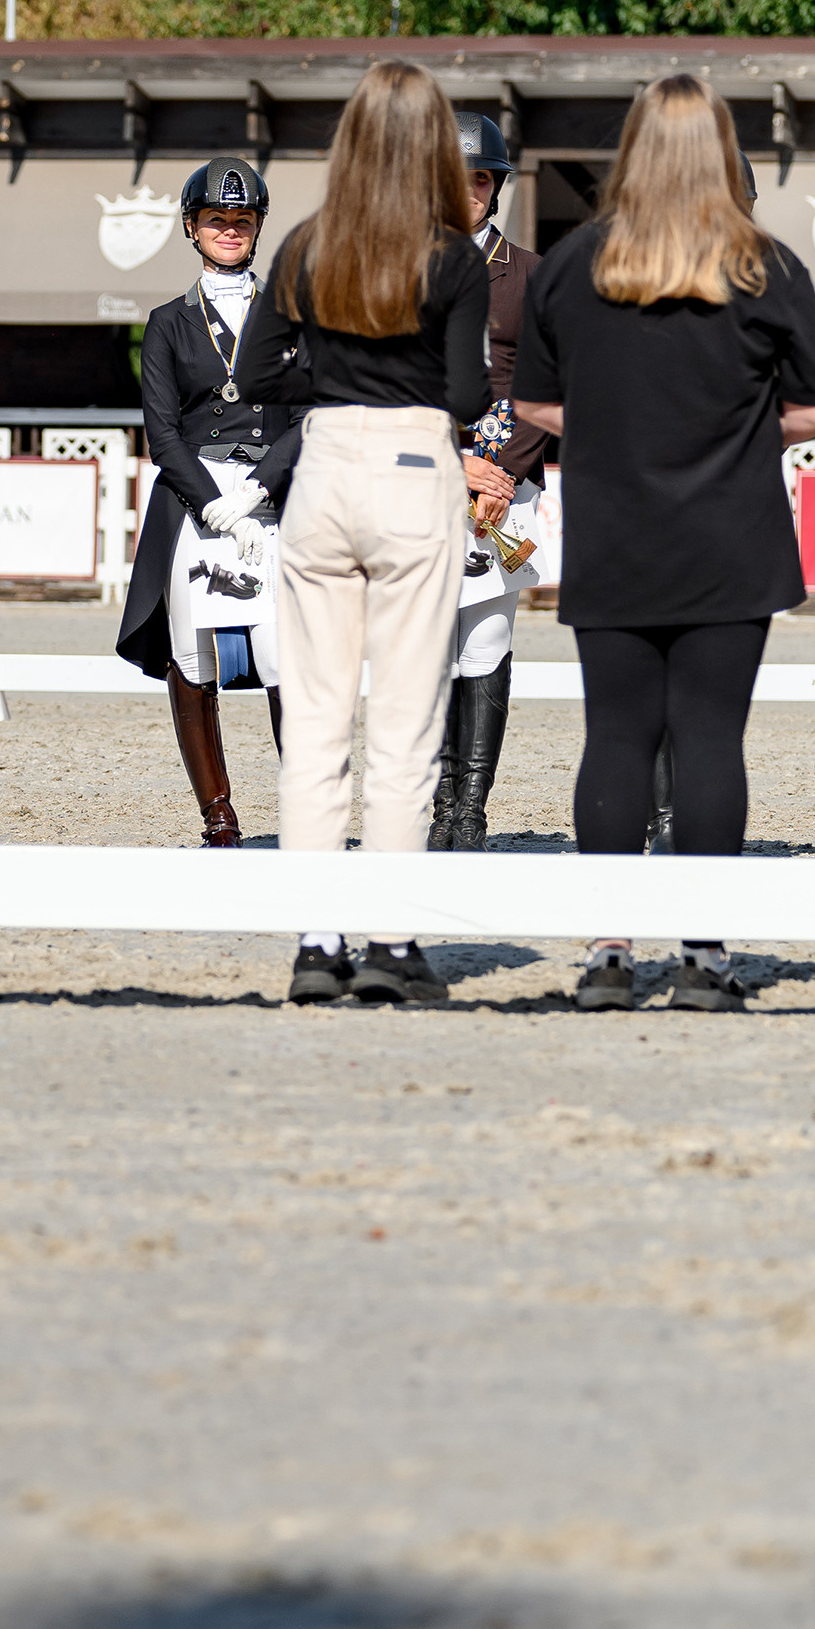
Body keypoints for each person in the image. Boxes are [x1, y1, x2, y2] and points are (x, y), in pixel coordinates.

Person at [511, 74, 815, 1013]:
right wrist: (731, 431)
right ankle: (702, 954)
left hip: (615, 529)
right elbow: (813, 409)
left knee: (614, 734)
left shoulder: (574, 264)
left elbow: (532, 400)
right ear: (722, 154)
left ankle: (609, 951)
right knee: (709, 738)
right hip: (730, 534)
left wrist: (617, 427)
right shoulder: (766, 266)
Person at [234, 61, 490, 1006]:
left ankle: (315, 938)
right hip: (416, 466)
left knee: (315, 719)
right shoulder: (453, 257)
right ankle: (390, 939)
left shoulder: (306, 245)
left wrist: (334, 387)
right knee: (404, 719)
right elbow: (467, 395)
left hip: (326, 466)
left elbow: (259, 368)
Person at [114, 156, 302, 842]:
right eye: (217, 219)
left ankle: (306, 802)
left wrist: (257, 489)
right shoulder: (167, 321)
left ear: (257, 229)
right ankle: (217, 812)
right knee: (191, 654)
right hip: (196, 500)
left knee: (291, 655)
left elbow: (308, 414)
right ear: (192, 227)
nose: (230, 229)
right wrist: (212, 502)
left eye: (242, 220)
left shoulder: (289, 315)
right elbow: (161, 430)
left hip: (272, 496)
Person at [436, 107, 542, 850]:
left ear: (495, 185)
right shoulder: (402, 263)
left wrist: (497, 470)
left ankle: (469, 808)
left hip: (506, 484)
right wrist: (452, 459)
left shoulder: (530, 273)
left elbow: (548, 381)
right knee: (426, 641)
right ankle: (433, 797)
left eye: (480, 177)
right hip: (423, 474)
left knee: (488, 641)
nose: (468, 189)